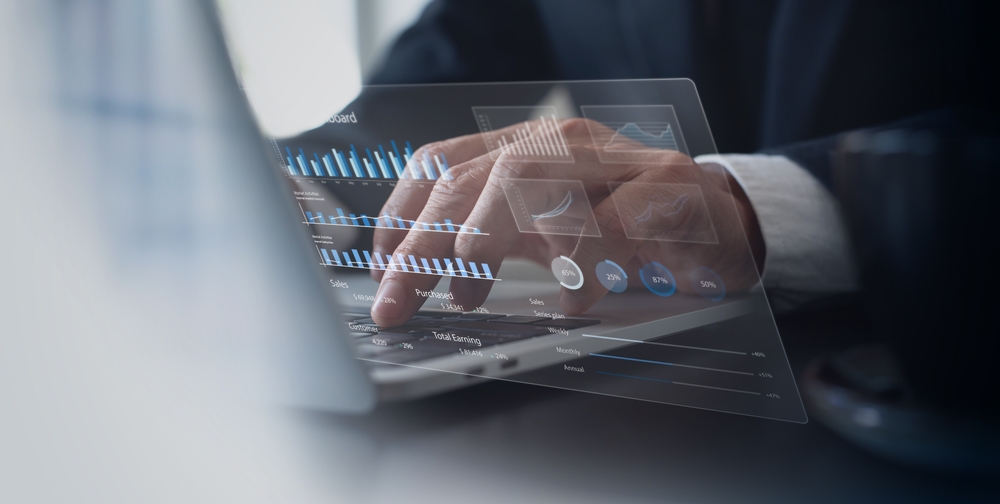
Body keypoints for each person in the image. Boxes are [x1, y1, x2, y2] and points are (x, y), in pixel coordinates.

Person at [290, 0, 999, 468]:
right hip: (656, 406)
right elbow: (435, 70)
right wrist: (294, 194)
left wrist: (756, 202)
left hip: (931, 406)